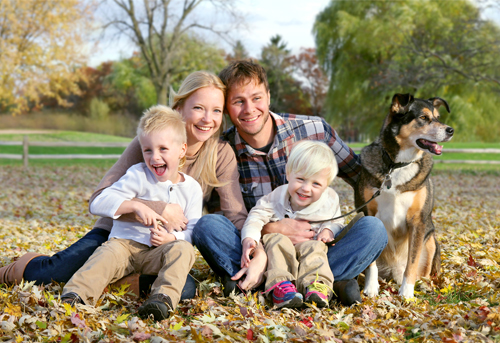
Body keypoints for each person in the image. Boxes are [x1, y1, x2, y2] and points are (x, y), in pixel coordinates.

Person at [0, 71, 260, 299]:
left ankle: (108, 282)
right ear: (179, 109)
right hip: (118, 235)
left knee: (185, 290)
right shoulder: (148, 143)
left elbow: (233, 213)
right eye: (198, 108)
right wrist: (160, 208)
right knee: (55, 272)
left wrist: (254, 245)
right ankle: (20, 267)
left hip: (162, 245)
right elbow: (100, 196)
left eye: (216, 110)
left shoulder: (220, 152)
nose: (208, 119)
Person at [192, 60, 389, 306]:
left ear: (268, 96)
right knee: (207, 226)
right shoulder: (221, 151)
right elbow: (222, 217)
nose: (249, 109)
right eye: (238, 101)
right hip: (260, 252)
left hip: (319, 250)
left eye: (256, 98)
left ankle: (277, 284)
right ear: (227, 109)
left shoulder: (315, 130)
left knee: (374, 229)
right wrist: (270, 230)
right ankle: (323, 283)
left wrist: (330, 229)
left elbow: (362, 176)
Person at [61, 106, 202, 321]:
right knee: (105, 255)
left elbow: (193, 230)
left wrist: (172, 238)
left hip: (159, 252)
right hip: (124, 246)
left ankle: (161, 299)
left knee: (183, 251)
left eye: (163, 149)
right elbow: (99, 202)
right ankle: (76, 294)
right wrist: (136, 206)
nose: (154, 157)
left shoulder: (192, 188)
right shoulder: (137, 174)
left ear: (182, 150)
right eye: (148, 150)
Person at [241, 140, 344, 309]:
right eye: (301, 179)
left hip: (310, 245)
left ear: (326, 186)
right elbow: (256, 216)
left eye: (316, 183)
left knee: (316, 249)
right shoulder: (276, 197)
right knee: (276, 240)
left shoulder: (330, 200)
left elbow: (337, 221)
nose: (306, 188)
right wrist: (250, 238)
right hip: (280, 250)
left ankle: (316, 286)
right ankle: (280, 286)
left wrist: (328, 230)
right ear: (288, 174)